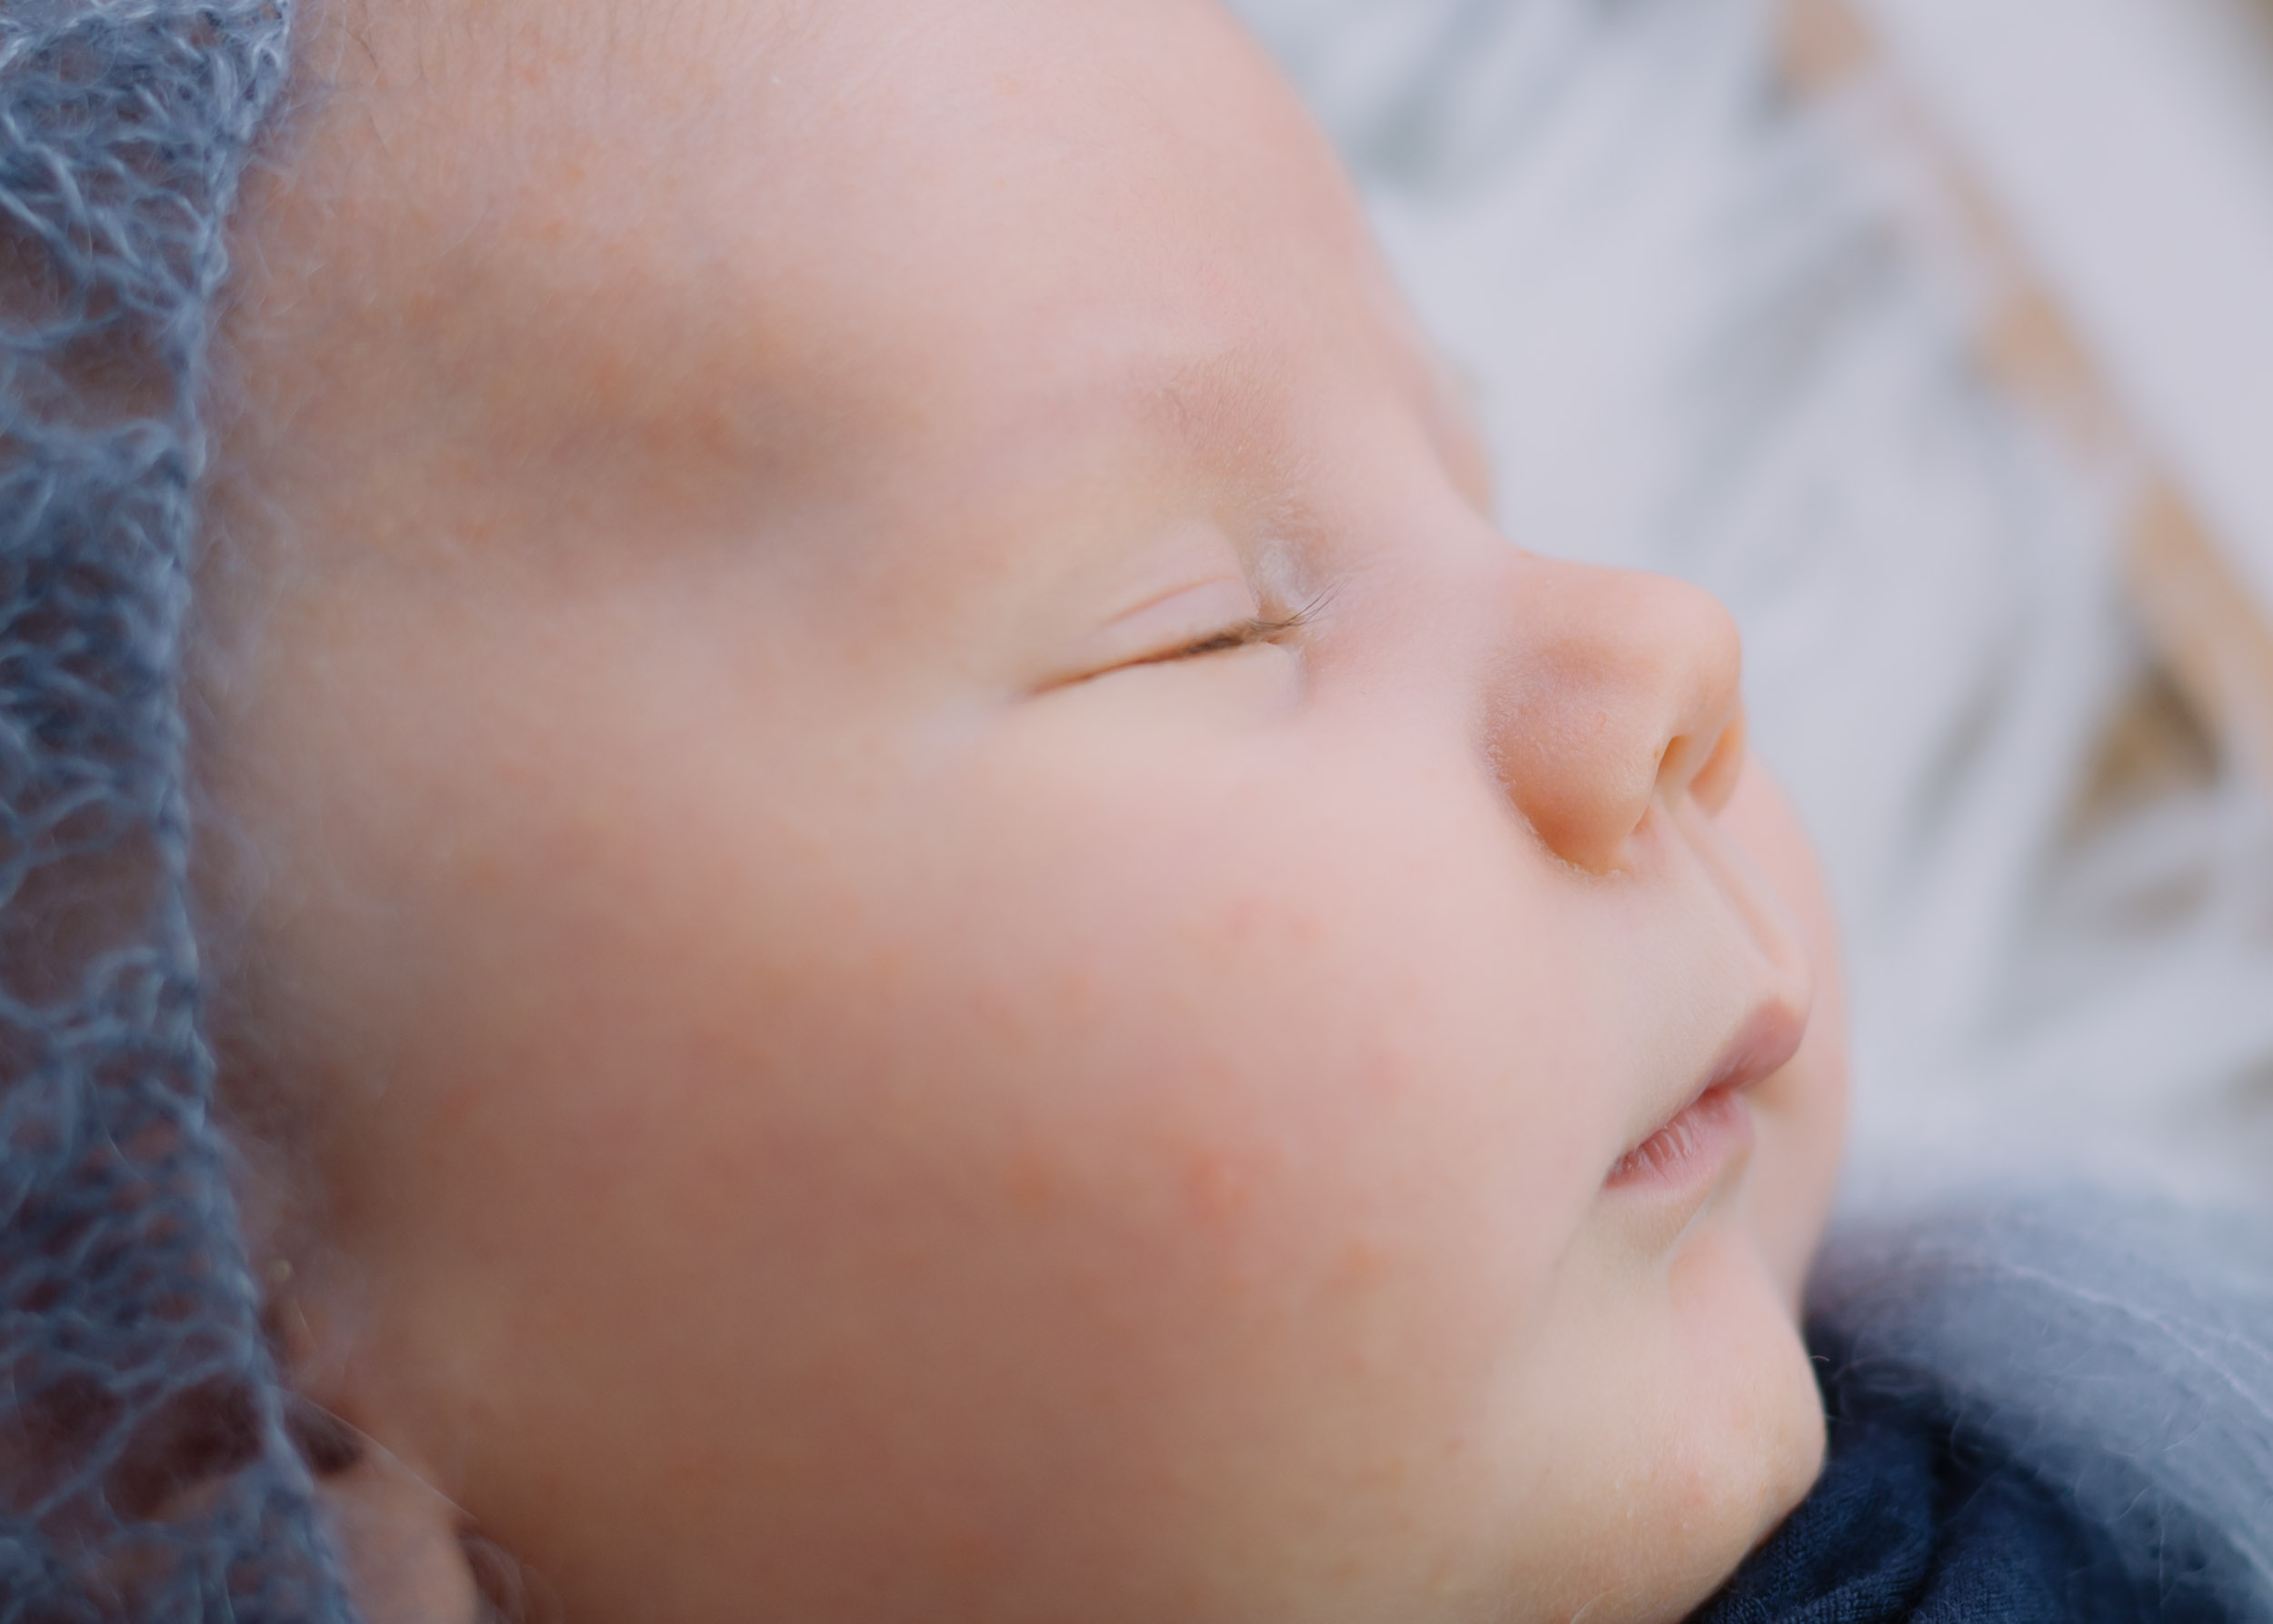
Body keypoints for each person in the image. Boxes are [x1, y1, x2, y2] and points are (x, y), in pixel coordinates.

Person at [1, 1, 2265, 1621]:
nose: (1662, 651)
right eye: (1193, 625)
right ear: (247, 1445)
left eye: (1476, 485)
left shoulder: (2100, 1441)